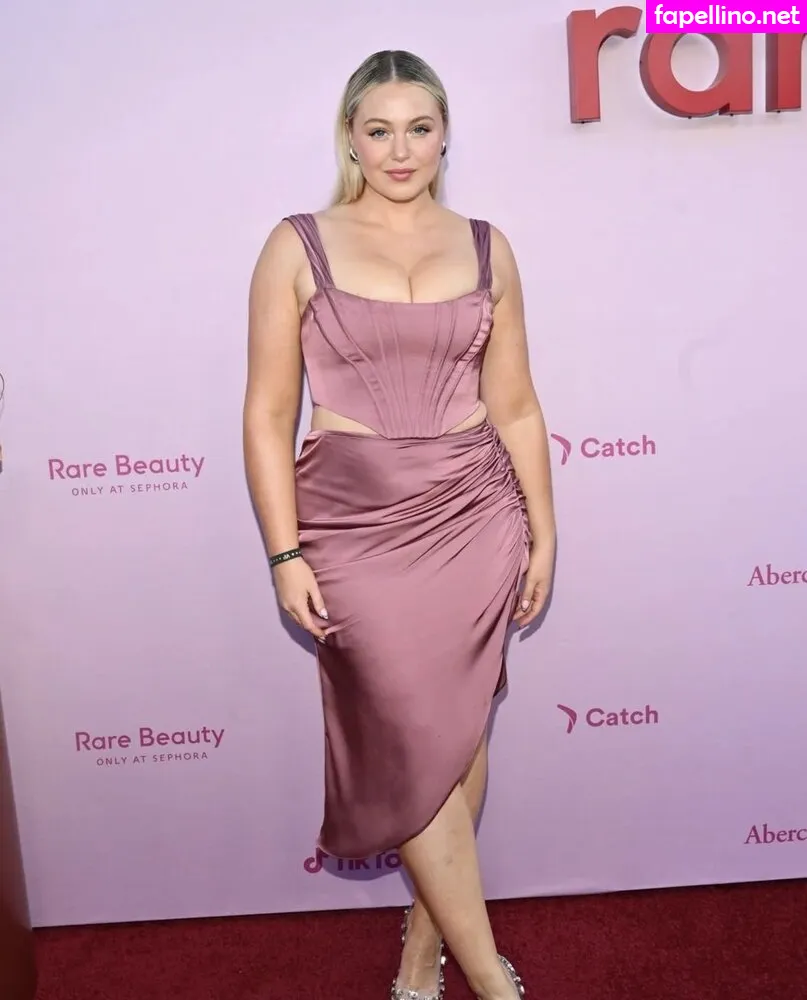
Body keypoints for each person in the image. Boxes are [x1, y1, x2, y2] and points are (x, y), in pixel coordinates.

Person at [243, 49, 556, 1000]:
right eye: (378, 130)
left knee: (458, 738)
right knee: (409, 732)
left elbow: (516, 407)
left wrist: (543, 532)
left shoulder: (487, 246)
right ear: (349, 137)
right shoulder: (298, 245)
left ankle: (425, 953)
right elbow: (268, 412)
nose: (399, 149)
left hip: (474, 510)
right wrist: (284, 551)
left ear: (445, 134)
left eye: (418, 128)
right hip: (351, 520)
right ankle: (491, 980)